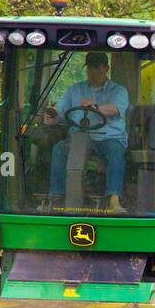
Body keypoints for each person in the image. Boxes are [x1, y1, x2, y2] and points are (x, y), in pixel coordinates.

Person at [44, 51, 130, 212]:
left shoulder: (119, 91)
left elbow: (115, 109)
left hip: (108, 137)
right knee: (59, 149)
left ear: (106, 68)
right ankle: (56, 198)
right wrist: (52, 116)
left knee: (116, 152)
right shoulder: (74, 90)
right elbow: (60, 111)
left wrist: (95, 107)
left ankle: (114, 199)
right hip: (79, 137)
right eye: (90, 67)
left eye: (97, 67)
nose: (92, 72)